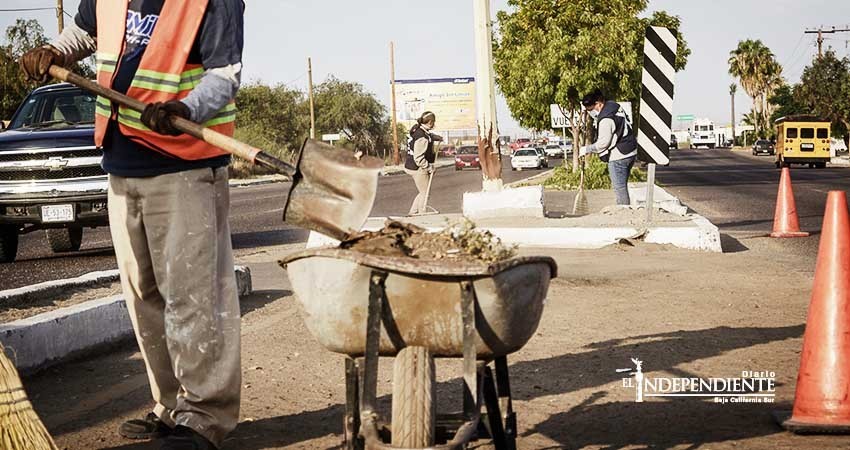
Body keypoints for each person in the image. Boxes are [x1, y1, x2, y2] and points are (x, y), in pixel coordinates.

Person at [20, 1, 245, 449]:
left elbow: (225, 76)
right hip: (123, 162)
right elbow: (86, 33)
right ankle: (170, 406)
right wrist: (54, 51)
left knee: (193, 296)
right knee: (145, 295)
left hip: (183, 165)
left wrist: (186, 107)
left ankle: (205, 418)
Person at [579, 89, 638, 205]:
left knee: (619, 188)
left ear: (598, 104)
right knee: (622, 186)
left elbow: (603, 144)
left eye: (590, 109)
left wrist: (587, 149)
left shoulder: (605, 118)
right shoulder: (614, 106)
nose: (590, 113)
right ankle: (624, 209)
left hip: (619, 156)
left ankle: (623, 212)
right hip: (630, 151)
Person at [404, 111, 441, 215]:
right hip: (418, 167)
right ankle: (421, 213)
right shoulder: (422, 138)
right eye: (433, 122)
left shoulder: (417, 129)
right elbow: (418, 158)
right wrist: (429, 167)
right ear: (430, 122)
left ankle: (413, 212)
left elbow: (428, 135)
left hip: (411, 165)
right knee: (425, 193)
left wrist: (435, 137)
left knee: (422, 192)